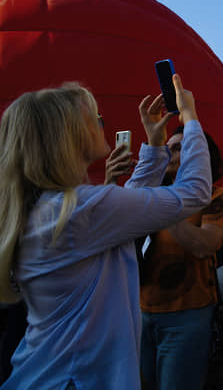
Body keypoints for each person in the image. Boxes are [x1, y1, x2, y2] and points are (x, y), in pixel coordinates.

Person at [0, 76, 211, 389]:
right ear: (68, 136)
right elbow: (194, 192)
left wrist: (154, 147)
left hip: (43, 372)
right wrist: (190, 119)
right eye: (95, 119)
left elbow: (124, 209)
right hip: (76, 380)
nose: (102, 124)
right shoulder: (82, 209)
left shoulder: (50, 208)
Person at [137, 124, 223, 390]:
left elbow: (206, 245)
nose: (169, 153)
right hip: (140, 312)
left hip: (187, 317)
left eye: (178, 147)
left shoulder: (215, 195)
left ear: (200, 154)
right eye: (167, 148)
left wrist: (162, 205)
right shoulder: (149, 192)